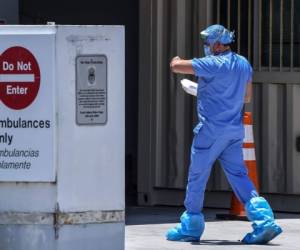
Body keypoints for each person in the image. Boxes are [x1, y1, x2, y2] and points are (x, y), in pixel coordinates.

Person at [166, 24, 282, 244]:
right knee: (239, 176)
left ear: (218, 44)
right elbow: (246, 98)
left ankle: (191, 227)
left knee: (197, 177)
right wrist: (204, 91)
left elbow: (176, 66)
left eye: (208, 42)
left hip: (210, 131)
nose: (206, 46)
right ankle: (264, 222)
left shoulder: (212, 63)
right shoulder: (243, 64)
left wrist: (176, 58)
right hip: (233, 131)